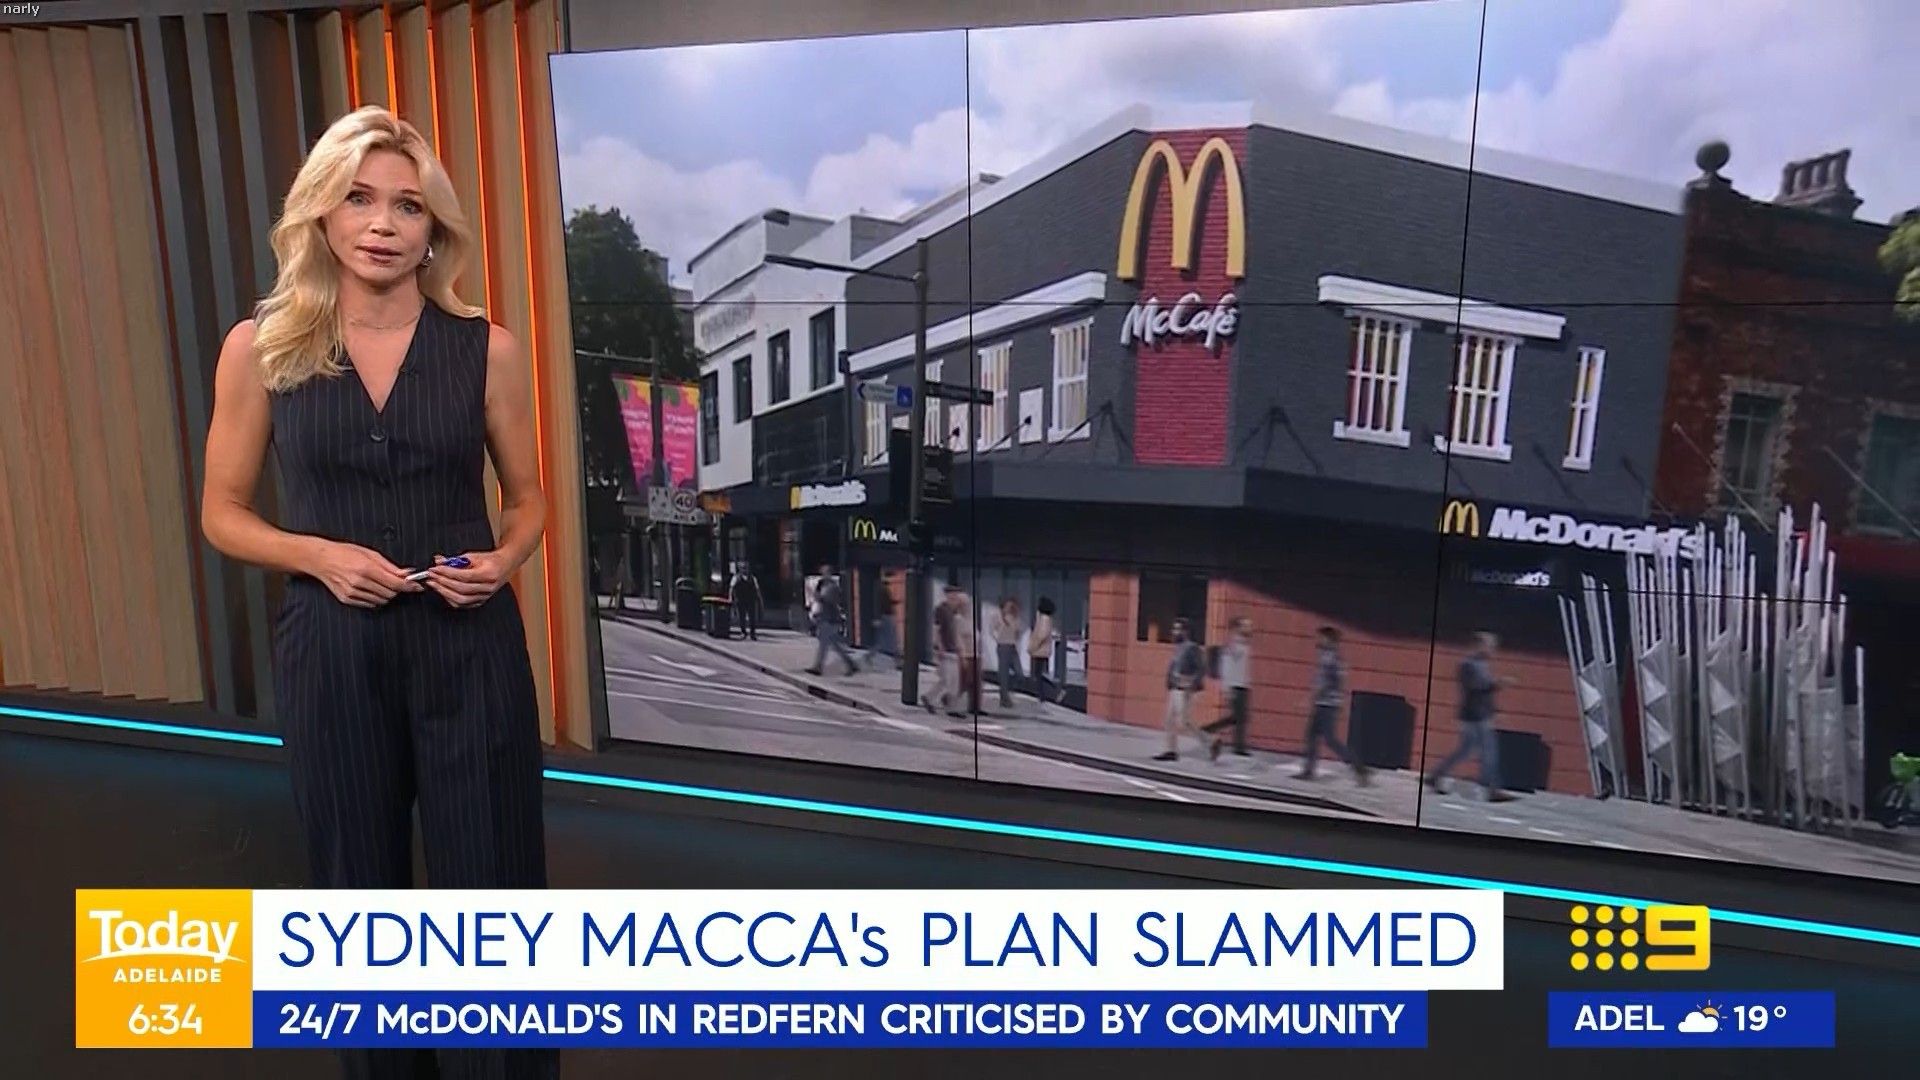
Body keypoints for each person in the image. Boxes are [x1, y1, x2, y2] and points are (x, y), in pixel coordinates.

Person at [198, 106, 555, 1080]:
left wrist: (504, 561)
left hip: (469, 648)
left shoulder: (485, 349)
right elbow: (222, 513)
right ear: (321, 212)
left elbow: (528, 501)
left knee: (495, 895)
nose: (383, 224)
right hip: (334, 652)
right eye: (359, 199)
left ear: (435, 228)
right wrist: (317, 555)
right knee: (358, 900)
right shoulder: (262, 348)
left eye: (408, 205)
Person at [1426, 631, 1517, 802]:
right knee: (1489, 752)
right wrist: (1498, 684)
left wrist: (1495, 710)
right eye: (1489, 646)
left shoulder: (1482, 665)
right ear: (1478, 645)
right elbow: (1475, 688)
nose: (1492, 650)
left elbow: (1485, 694)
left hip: (1479, 714)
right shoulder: (1467, 665)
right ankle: (1491, 789)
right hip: (1474, 715)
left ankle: (1436, 775)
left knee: (1465, 750)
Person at [1296, 626, 1371, 785]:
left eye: (1321, 637)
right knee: (1312, 735)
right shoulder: (1331, 656)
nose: (1318, 640)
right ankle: (1308, 771)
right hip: (1326, 702)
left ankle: (1359, 768)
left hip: (1327, 703)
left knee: (1330, 740)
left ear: (1328, 640)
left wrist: (1312, 697)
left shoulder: (1330, 658)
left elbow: (1328, 682)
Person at [1153, 619, 1215, 762]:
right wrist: (1169, 681)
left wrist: (1191, 682)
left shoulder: (1192, 648)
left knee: (1184, 721)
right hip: (1175, 687)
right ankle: (1171, 751)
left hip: (1185, 689)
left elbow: (1201, 668)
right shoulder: (1178, 647)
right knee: (1169, 720)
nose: (1174, 632)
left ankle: (1210, 742)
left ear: (1185, 631)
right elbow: (1174, 667)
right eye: (1174, 629)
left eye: (1177, 629)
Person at [1203, 616, 1254, 756]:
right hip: (1235, 686)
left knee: (1240, 717)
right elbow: (1226, 667)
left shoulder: (1244, 643)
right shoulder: (1233, 645)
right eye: (1246, 625)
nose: (1249, 628)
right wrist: (1226, 688)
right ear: (1238, 628)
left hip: (1243, 685)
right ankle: (1209, 729)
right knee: (1238, 717)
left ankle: (1238, 746)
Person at [805, 563, 858, 676]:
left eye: (825, 573)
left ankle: (818, 667)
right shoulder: (823, 585)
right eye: (822, 573)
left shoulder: (832, 586)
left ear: (829, 573)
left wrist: (814, 594)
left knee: (824, 644)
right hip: (825, 618)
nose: (823, 575)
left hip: (830, 619)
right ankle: (851, 664)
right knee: (834, 645)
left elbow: (827, 600)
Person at [922, 585, 963, 717]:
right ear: (947, 595)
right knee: (950, 680)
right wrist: (939, 646)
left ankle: (930, 698)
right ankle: (949, 707)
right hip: (946, 650)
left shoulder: (954, 611)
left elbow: (956, 632)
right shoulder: (941, 610)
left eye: (956, 595)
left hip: (953, 650)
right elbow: (937, 629)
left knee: (949, 680)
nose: (955, 597)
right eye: (953, 594)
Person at [992, 597, 1024, 708]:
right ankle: (1004, 698)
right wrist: (998, 639)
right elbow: (992, 630)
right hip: (1003, 646)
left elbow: (1018, 634)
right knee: (1003, 674)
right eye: (1008, 606)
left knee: (1019, 674)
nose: (1010, 608)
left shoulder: (1016, 618)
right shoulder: (998, 617)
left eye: (1012, 606)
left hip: (1013, 647)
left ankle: (1006, 690)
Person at [864, 571, 899, 669]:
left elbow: (883, 603)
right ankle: (897, 661)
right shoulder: (881, 589)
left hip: (886, 616)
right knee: (891, 639)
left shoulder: (883, 588)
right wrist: (877, 617)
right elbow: (878, 604)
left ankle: (869, 655)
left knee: (882, 640)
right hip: (886, 616)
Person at [1028, 596, 1059, 703]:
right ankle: (1044, 694)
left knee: (1038, 674)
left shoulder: (1044, 619)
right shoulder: (1044, 617)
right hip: (1041, 649)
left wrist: (1033, 646)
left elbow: (1042, 634)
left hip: (1040, 650)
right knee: (1038, 673)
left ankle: (1049, 693)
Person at [728, 563, 762, 641]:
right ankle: (743, 632)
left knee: (752, 617)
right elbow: (731, 588)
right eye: (743, 568)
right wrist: (730, 598)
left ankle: (752, 633)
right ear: (740, 569)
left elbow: (757, 589)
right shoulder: (736, 577)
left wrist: (759, 599)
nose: (745, 570)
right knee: (741, 617)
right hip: (740, 600)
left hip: (751, 600)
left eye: (746, 568)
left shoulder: (752, 578)